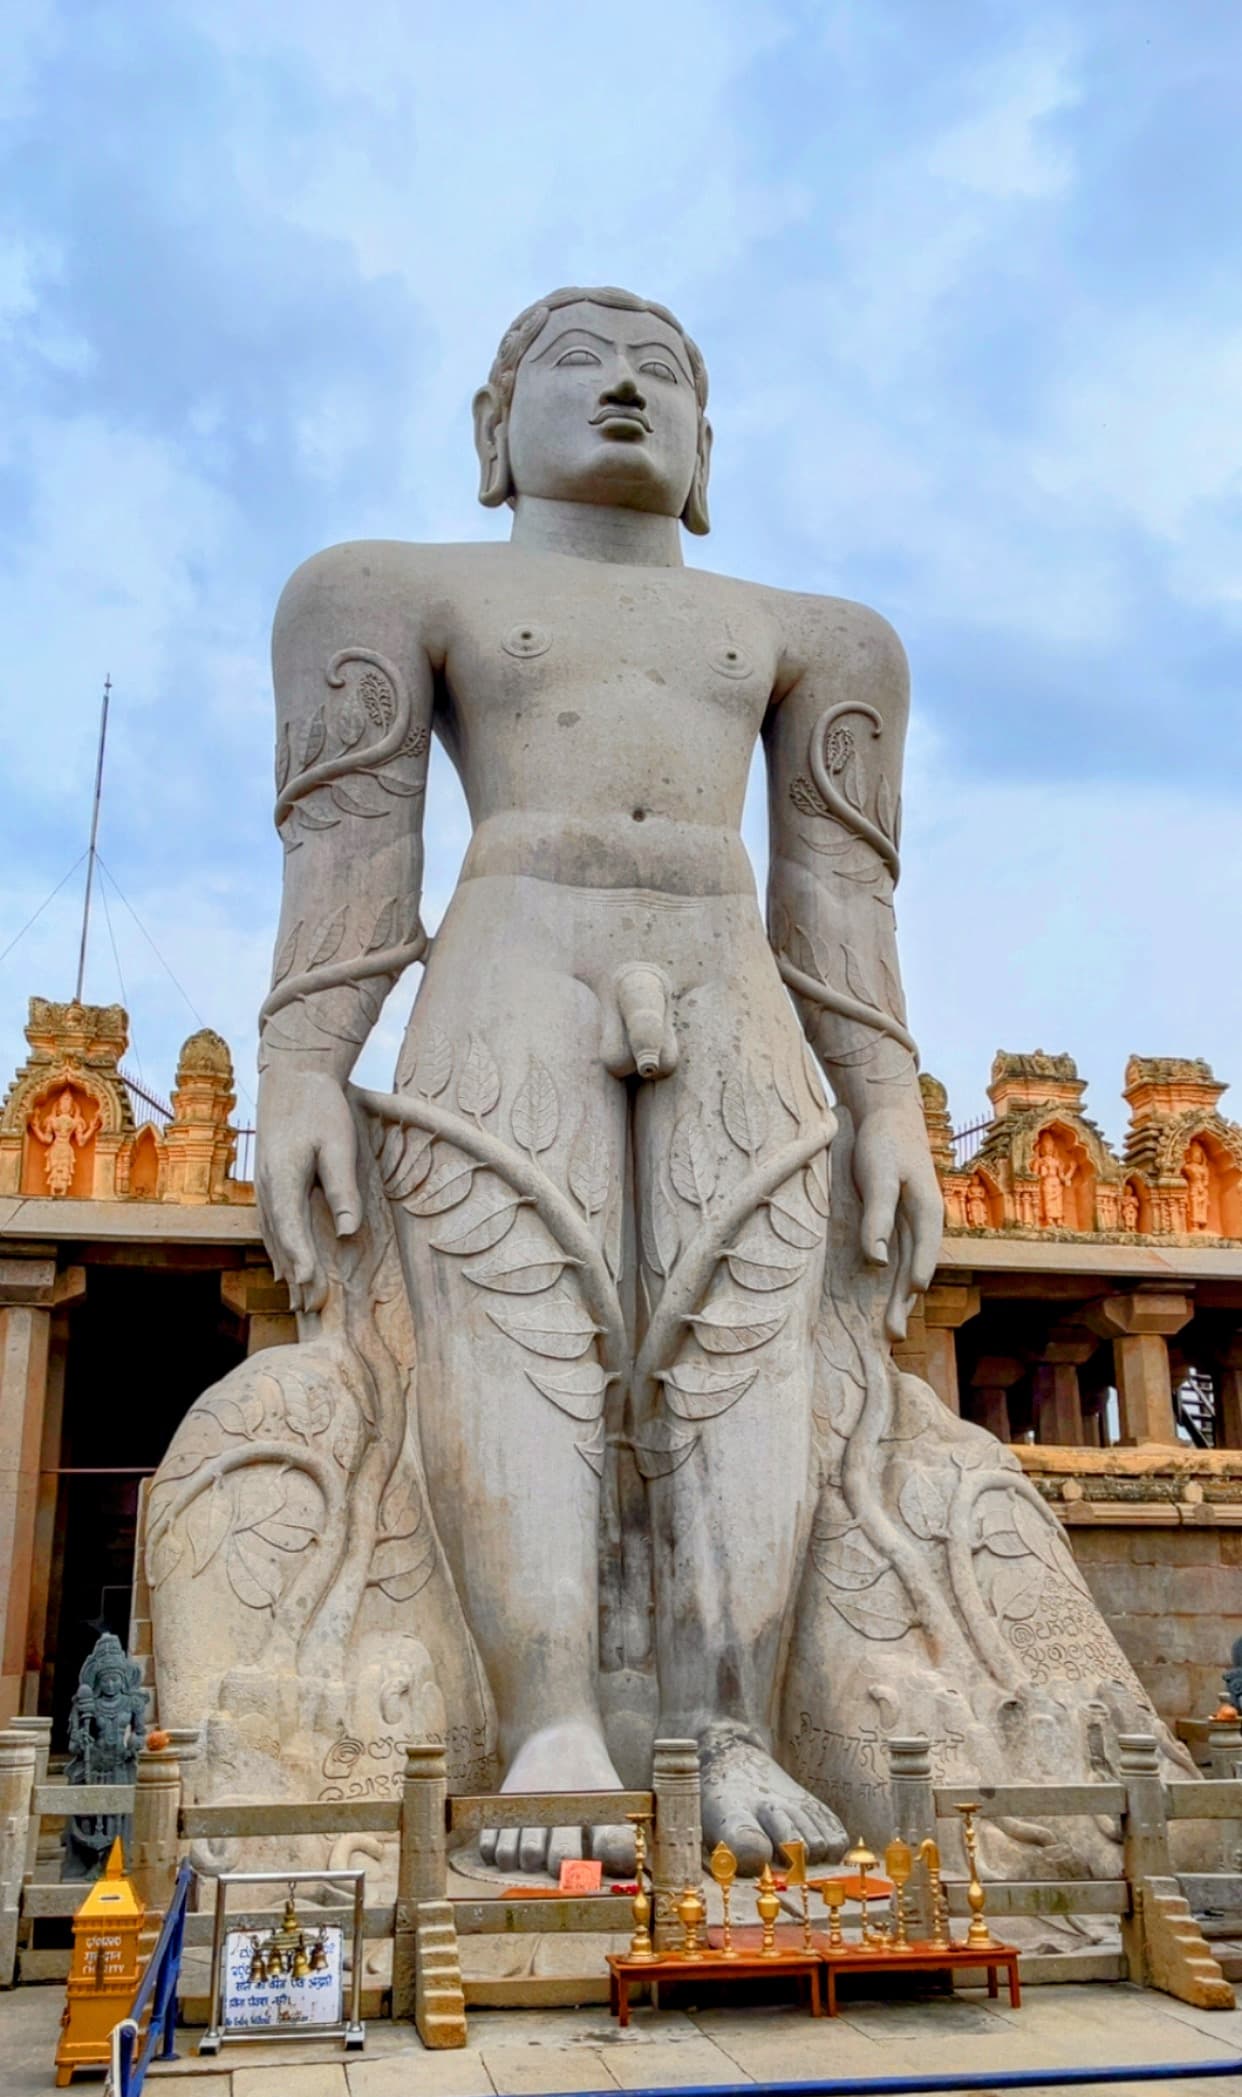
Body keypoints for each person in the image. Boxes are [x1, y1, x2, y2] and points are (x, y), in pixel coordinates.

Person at [256, 287, 941, 1869]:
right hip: (514, 941)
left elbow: (839, 896)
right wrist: (302, 1062)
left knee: (744, 1325)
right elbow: (350, 838)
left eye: (664, 372)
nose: (627, 386)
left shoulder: (819, 636)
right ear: (494, 435)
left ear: (707, 447)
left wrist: (888, 1100)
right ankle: (550, 1710)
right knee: (511, 1309)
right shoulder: (378, 587)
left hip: (724, 963)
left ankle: (735, 1721)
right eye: (579, 361)